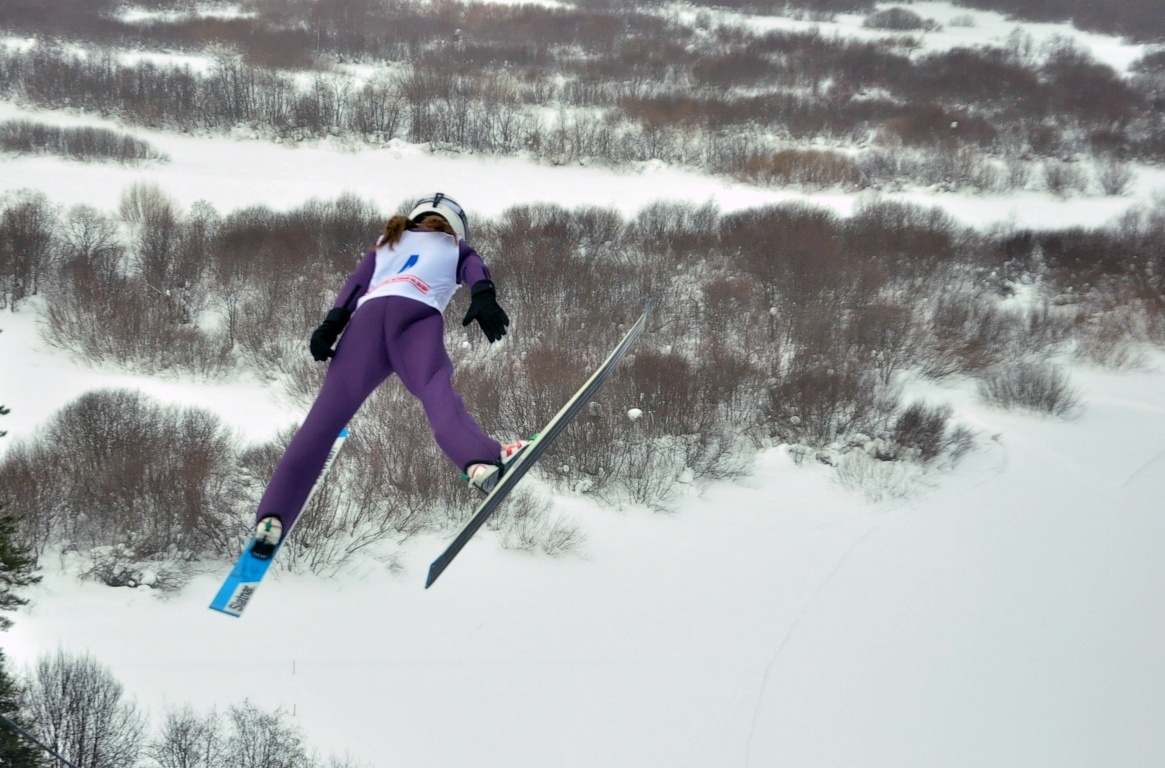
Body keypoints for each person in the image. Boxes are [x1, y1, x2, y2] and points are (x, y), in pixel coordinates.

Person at [252, 193, 527, 557]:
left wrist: (330, 326)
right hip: (416, 317)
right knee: (434, 388)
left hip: (364, 325)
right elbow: (475, 272)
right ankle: (477, 459)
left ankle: (272, 517)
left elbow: (355, 284)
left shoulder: (386, 243)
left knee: (324, 418)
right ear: (456, 226)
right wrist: (484, 295)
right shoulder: (456, 246)